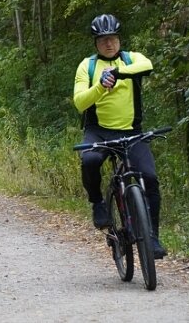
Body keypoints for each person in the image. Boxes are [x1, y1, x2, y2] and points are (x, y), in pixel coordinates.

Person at [73, 13, 167, 259]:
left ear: (119, 38)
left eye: (113, 38)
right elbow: (80, 102)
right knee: (90, 161)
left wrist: (119, 74)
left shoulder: (131, 59)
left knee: (149, 177)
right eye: (103, 39)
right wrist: (100, 86)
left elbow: (148, 65)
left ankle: (153, 238)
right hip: (99, 131)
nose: (108, 43)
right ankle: (97, 203)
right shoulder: (88, 65)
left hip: (131, 131)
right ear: (96, 42)